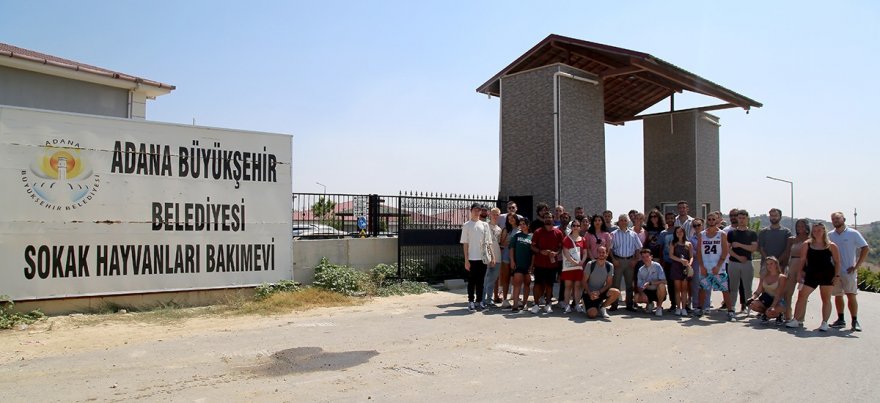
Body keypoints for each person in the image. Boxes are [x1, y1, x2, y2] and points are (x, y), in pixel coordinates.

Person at [787, 223, 841, 331]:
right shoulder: (807, 244)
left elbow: (837, 262)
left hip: (827, 275)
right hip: (810, 274)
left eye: (819, 230)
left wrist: (837, 276)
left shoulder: (831, 245)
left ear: (824, 231)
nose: (817, 232)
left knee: (826, 299)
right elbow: (802, 260)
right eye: (815, 230)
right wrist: (799, 273)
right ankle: (796, 320)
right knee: (802, 296)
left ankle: (824, 322)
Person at [828, 212, 869, 331]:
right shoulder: (830, 235)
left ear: (843, 219)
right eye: (833, 219)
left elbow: (865, 248)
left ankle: (855, 321)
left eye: (837, 218)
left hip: (848, 271)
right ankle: (840, 319)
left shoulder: (853, 233)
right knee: (837, 295)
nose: (835, 220)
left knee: (851, 295)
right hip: (835, 271)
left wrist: (856, 266)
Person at [695, 212, 735, 321]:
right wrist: (702, 266)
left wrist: (718, 266)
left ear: (717, 221)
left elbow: (725, 252)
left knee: (725, 289)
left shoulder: (721, 234)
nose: (711, 221)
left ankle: (730, 310)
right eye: (709, 219)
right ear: (707, 221)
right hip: (705, 266)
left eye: (713, 219)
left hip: (718, 268)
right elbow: (698, 252)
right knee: (703, 288)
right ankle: (700, 308)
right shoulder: (702, 235)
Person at [460, 203, 495, 312]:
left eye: (479, 210)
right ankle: (471, 301)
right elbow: (465, 243)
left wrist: (492, 256)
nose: (477, 211)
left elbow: (489, 242)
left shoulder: (485, 225)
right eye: (475, 209)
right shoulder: (467, 225)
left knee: (481, 281)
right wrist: (466, 260)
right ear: (471, 210)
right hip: (471, 258)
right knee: (471, 281)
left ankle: (480, 301)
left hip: (483, 258)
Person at [529, 216, 564, 314]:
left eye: (550, 218)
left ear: (553, 220)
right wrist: (541, 251)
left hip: (552, 264)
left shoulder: (558, 232)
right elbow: (532, 246)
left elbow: (561, 248)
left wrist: (556, 253)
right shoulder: (538, 232)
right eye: (546, 219)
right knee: (537, 284)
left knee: (550, 284)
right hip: (539, 263)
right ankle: (536, 304)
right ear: (544, 220)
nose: (548, 221)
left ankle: (548, 304)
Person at [727, 209, 758, 314]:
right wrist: (738, 257)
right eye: (739, 218)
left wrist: (740, 245)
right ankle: (731, 308)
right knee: (733, 287)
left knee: (747, 288)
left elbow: (753, 248)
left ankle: (749, 309)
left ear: (747, 219)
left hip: (747, 263)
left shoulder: (752, 233)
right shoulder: (731, 233)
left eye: (743, 218)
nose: (741, 220)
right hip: (734, 263)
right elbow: (728, 249)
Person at [610, 214, 643, 311]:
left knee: (629, 285)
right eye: (621, 220)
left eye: (625, 220)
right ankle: (614, 304)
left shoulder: (633, 234)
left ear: (628, 222)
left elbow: (638, 248)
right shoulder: (614, 234)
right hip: (618, 261)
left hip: (630, 261)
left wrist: (635, 260)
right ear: (618, 222)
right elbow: (610, 249)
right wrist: (613, 259)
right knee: (616, 284)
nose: (623, 222)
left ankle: (629, 304)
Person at [782, 219, 810, 322]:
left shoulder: (810, 240)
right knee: (787, 292)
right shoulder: (792, 239)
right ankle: (787, 315)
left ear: (807, 227)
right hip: (792, 265)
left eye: (802, 226)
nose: (800, 228)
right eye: (798, 226)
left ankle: (799, 318)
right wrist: (783, 266)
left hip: (805, 267)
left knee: (802, 293)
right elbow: (786, 253)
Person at [581, 246, 620, 319]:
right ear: (596, 253)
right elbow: (584, 281)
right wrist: (590, 293)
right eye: (599, 252)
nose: (601, 254)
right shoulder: (590, 264)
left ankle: (602, 307)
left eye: (603, 252)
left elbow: (609, 283)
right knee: (592, 315)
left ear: (606, 254)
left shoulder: (609, 266)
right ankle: (586, 305)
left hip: (600, 292)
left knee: (616, 292)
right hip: (589, 293)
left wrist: (599, 292)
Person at [749, 256, 787, 324]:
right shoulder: (764, 276)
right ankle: (766, 314)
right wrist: (752, 298)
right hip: (766, 299)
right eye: (767, 264)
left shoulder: (781, 277)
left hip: (778, 301)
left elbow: (778, 294)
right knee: (752, 305)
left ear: (776, 264)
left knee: (770, 311)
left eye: (771, 263)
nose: (769, 266)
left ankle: (779, 315)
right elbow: (758, 291)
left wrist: (772, 306)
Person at [560, 219, 587, 313]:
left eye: (577, 226)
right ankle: (567, 305)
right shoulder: (567, 239)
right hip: (569, 266)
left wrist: (582, 261)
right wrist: (574, 261)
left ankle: (576, 305)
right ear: (571, 227)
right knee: (568, 286)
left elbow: (585, 252)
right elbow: (565, 252)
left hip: (579, 266)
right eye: (574, 225)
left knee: (578, 286)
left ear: (580, 227)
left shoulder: (583, 239)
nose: (575, 227)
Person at [508, 217, 533, 312]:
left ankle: (524, 303)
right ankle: (515, 305)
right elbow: (511, 249)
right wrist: (512, 261)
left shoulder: (532, 237)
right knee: (517, 284)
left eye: (524, 224)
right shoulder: (517, 236)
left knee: (527, 284)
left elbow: (533, 253)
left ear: (528, 225)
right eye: (521, 224)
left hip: (528, 265)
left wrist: (532, 265)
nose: (522, 226)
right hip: (518, 264)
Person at [758, 208, 792, 275]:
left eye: (775, 215)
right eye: (772, 215)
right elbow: (761, 249)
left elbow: (787, 250)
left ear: (780, 217)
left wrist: (777, 262)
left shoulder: (786, 232)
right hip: (766, 265)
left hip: (781, 265)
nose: (773, 217)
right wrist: (769, 262)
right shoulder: (763, 232)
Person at [668, 226, 693, 316]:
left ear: (684, 232)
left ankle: (684, 308)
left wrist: (689, 263)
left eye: (681, 231)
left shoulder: (688, 244)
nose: (679, 233)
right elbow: (671, 255)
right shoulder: (673, 243)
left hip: (685, 268)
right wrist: (681, 260)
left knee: (684, 289)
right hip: (676, 267)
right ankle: (678, 308)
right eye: (677, 232)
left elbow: (691, 256)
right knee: (677, 289)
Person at [635, 249, 668, 316]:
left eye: (647, 256)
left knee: (662, 286)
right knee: (636, 298)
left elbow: (664, 281)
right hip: (647, 291)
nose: (645, 259)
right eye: (643, 257)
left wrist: (650, 283)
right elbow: (639, 285)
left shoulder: (657, 266)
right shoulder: (640, 270)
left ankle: (659, 307)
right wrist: (641, 293)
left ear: (651, 257)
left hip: (657, 290)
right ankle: (649, 303)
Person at [497, 212, 519, 308]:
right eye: (509, 219)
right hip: (506, 255)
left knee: (516, 278)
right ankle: (505, 299)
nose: (511, 220)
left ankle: (515, 298)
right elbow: (501, 242)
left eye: (513, 218)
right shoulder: (506, 230)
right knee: (505, 278)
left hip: (518, 255)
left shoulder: (520, 229)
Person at [483, 207, 503, 306]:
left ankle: (489, 299)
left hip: (498, 256)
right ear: (490, 214)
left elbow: (498, 242)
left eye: (497, 214)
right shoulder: (485, 226)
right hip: (487, 256)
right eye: (493, 214)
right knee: (485, 278)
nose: (495, 216)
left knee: (493, 279)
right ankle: (481, 298)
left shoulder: (499, 229)